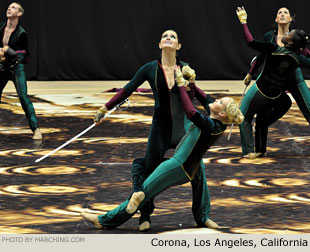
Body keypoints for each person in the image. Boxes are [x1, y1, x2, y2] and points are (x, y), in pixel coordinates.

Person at [80, 69, 244, 229]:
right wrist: (192, 83)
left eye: (220, 102)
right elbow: (203, 98)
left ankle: (104, 220)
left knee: (142, 194)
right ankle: (202, 218)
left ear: (222, 114)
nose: (215, 100)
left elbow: (190, 111)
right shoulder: (219, 122)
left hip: (178, 166)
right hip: (191, 166)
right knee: (143, 166)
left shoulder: (210, 125)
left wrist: (180, 84)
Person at [93, 30, 217, 231]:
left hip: (183, 127)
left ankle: (202, 216)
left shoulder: (186, 68)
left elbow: (199, 94)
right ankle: (145, 215)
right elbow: (127, 89)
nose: (168, 38)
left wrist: (217, 105)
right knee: (151, 168)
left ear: (178, 46)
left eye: (173, 37)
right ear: (160, 44)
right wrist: (104, 109)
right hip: (160, 127)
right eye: (165, 36)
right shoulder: (149, 69)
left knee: (198, 168)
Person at [243, 7, 310, 158]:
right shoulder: (270, 37)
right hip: (273, 80)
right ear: (276, 19)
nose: (282, 14)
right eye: (279, 13)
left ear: (290, 20)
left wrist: (303, 48)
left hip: (294, 78)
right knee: (264, 111)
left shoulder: (295, 37)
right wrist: (250, 73)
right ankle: (259, 148)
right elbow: (261, 56)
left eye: (285, 13)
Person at [0, 2, 42, 140]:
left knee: (23, 98)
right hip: (2, 67)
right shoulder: (1, 28)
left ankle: (36, 129)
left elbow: (20, 55)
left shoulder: (22, 33)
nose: (9, 8)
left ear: (19, 14)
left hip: (16, 68)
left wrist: (6, 51)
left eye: (13, 7)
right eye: (9, 7)